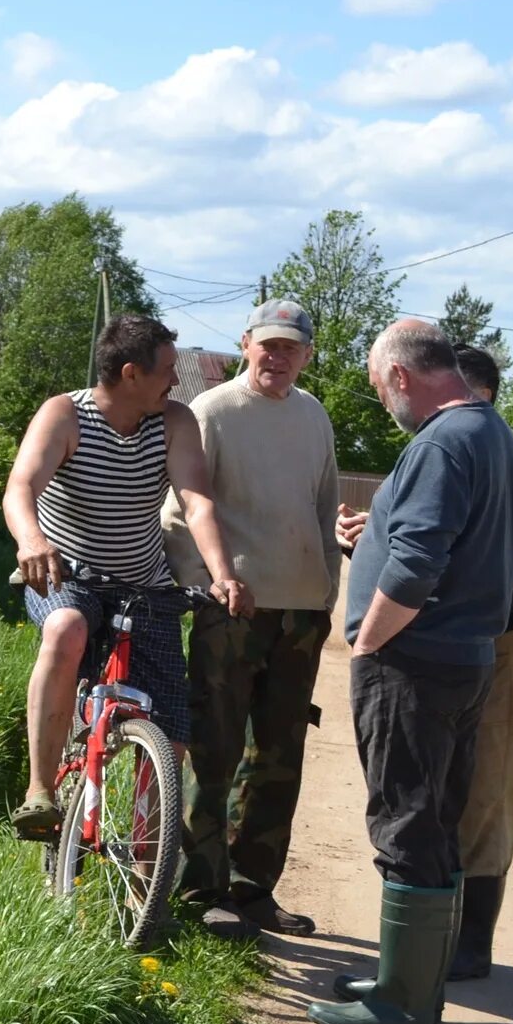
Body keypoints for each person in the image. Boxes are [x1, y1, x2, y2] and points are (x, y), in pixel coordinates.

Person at [310, 320, 513, 1024]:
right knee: (434, 819)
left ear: (402, 375)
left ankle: (401, 1002)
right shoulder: (491, 431)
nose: (382, 404)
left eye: (377, 388)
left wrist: (368, 641)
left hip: (415, 661)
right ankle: (412, 982)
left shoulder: (439, 441)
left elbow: (419, 562)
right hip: (464, 658)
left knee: (404, 818)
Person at [3, 314, 250, 842]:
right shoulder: (64, 415)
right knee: (66, 629)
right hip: (68, 574)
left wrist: (223, 574)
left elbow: (197, 501)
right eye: (167, 370)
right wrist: (31, 541)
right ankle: (39, 792)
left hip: (144, 585)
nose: (176, 381)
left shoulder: (175, 421)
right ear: (132, 373)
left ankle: (146, 873)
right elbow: (20, 486)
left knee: (169, 732)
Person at [163, 299, 341, 940]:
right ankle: (200, 888)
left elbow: (325, 511)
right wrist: (207, 585)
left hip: (299, 611)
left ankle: (253, 887)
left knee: (278, 755)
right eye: (268, 345)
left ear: (307, 355)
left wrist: (325, 594)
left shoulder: (313, 414)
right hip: (230, 609)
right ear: (245, 344)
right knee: (216, 746)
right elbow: (181, 509)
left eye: (291, 347)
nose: (278, 356)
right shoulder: (213, 411)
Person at [446, 343, 513, 981]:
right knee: (437, 783)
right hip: (446, 638)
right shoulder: (446, 451)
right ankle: (431, 933)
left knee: (486, 785)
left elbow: (490, 556)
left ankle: (471, 943)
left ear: (482, 396)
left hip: (503, 635)